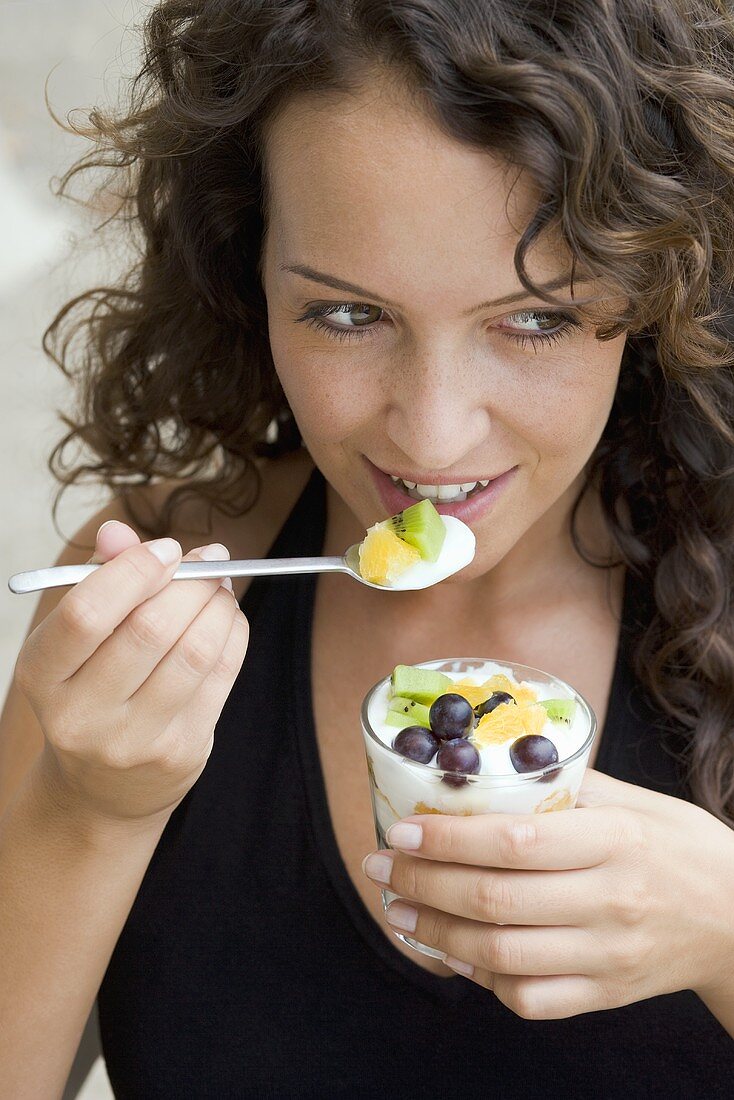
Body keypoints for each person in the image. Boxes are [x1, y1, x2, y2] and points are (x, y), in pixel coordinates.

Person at [1, 0, 733, 1095]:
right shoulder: (166, 584)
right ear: (247, 272)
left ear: (656, 284)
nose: (432, 435)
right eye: (347, 313)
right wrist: (87, 806)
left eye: (532, 318)